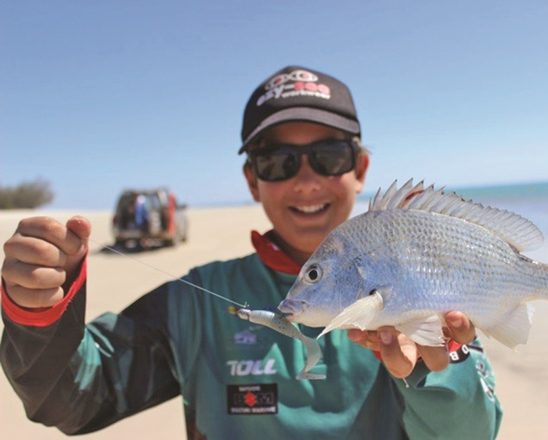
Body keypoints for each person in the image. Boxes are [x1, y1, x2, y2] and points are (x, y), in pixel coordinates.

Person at [0, 66, 502, 439]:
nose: (306, 180)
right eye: (278, 161)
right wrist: (38, 312)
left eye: (328, 156)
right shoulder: (193, 303)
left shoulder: (424, 286)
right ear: (252, 179)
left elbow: (473, 433)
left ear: (360, 168)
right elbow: (71, 399)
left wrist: (445, 363)